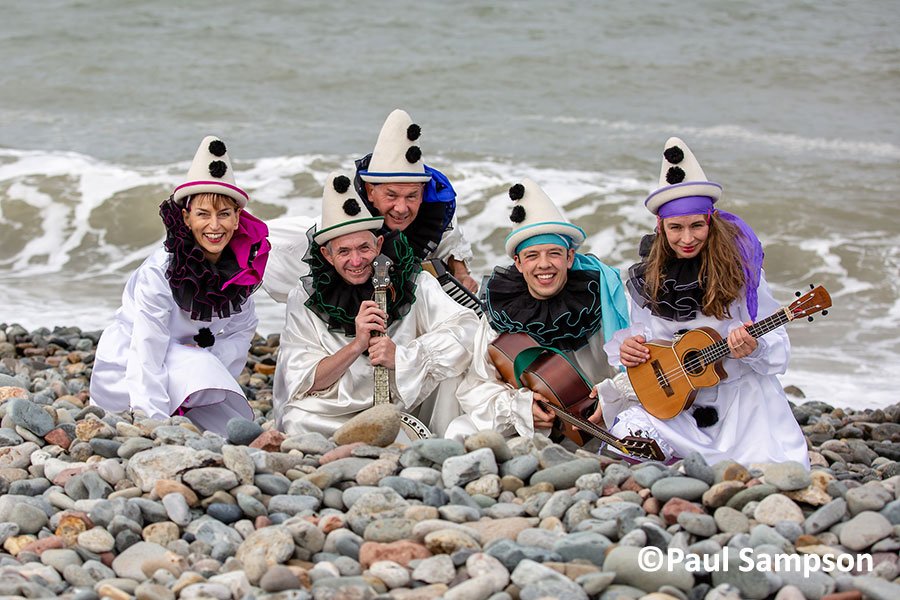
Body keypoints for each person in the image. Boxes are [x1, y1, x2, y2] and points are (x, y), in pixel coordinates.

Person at [598, 137, 810, 467]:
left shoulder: (742, 274)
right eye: (676, 227)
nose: (687, 238)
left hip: (743, 403)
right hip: (676, 400)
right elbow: (639, 335)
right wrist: (630, 349)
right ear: (661, 226)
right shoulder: (649, 277)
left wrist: (754, 348)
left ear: (710, 222)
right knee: (628, 441)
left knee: (768, 469)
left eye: (697, 225)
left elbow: (778, 351)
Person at [272, 171, 480, 437]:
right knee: (297, 418)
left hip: (406, 400)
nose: (357, 261)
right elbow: (304, 380)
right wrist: (356, 345)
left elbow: (467, 328)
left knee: (453, 373)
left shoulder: (415, 282)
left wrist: (403, 357)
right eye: (344, 252)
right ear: (326, 254)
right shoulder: (303, 299)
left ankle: (436, 447)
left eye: (364, 248)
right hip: (336, 409)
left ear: (379, 243)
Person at [90, 136, 270, 435]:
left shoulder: (239, 269)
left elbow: (243, 327)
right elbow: (147, 347)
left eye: (224, 214)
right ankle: (168, 407)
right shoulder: (161, 272)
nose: (215, 226)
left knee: (237, 431)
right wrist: (154, 423)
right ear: (186, 218)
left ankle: (190, 397)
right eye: (203, 214)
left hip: (189, 366)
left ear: (238, 218)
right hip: (128, 369)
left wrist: (212, 359)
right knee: (194, 400)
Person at [444, 178, 630, 441]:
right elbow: (477, 386)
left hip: (597, 425)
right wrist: (520, 408)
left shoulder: (603, 301)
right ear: (518, 263)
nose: (544, 264)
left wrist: (611, 397)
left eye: (554, 253)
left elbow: (633, 370)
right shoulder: (503, 311)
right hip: (531, 426)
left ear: (569, 257)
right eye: (532, 256)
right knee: (459, 430)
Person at [262, 109, 476, 304]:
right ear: (371, 191)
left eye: (412, 196)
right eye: (391, 195)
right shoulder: (341, 226)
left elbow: (451, 236)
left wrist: (461, 270)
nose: (401, 208)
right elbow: (271, 239)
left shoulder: (432, 213)